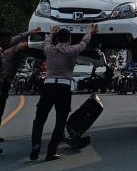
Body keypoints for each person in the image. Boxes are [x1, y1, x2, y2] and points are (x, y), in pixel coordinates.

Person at [30, 24, 97, 161]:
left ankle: (35, 146)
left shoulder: (49, 50)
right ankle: (51, 152)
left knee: (40, 119)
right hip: (63, 88)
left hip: (48, 87)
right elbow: (84, 43)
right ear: (69, 39)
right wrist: (89, 31)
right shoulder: (72, 50)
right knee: (60, 122)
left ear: (57, 39)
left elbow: (46, 42)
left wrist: (51, 33)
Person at [0, 27, 40, 142]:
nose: (10, 41)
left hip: (3, 84)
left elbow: (15, 40)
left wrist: (29, 33)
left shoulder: (1, 46)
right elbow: (15, 48)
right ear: (1, 39)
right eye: (8, 39)